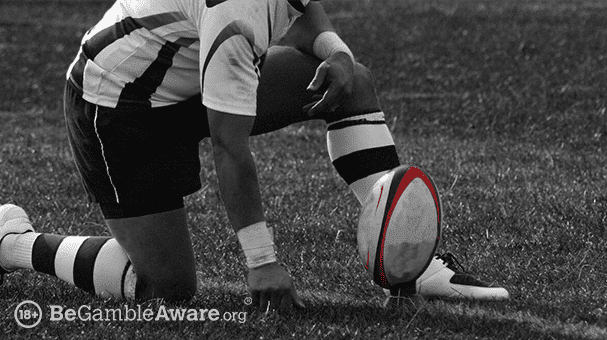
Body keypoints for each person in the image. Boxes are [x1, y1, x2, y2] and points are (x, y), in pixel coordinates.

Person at [0, 0, 508, 312]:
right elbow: (230, 146)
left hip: (186, 78)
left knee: (351, 81)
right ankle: (13, 242)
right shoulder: (236, 13)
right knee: (166, 287)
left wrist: (334, 52)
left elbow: (304, 8)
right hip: (119, 105)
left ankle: (412, 262)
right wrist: (262, 263)